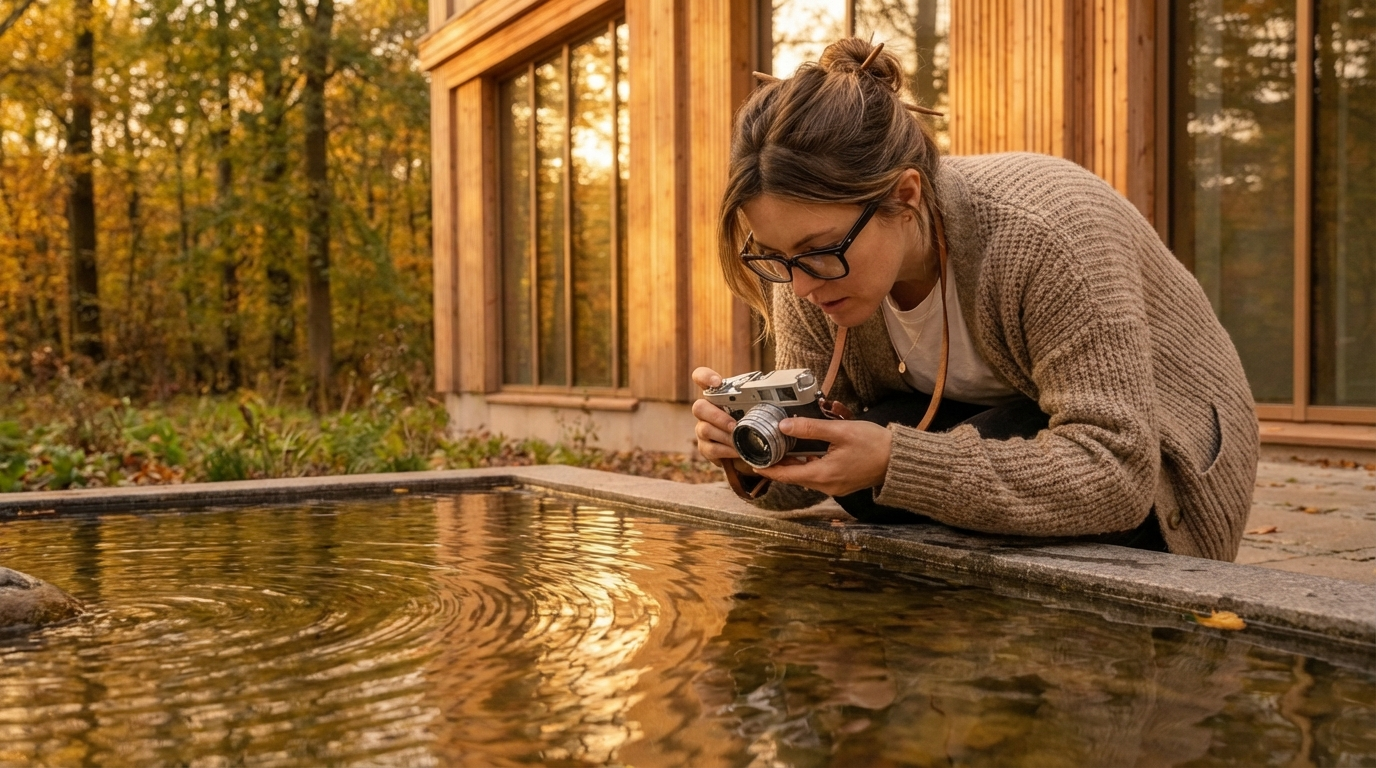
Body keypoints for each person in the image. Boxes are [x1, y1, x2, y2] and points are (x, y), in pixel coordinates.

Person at [691, 38, 1259, 561]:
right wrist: (753, 452)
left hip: (1164, 461)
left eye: (818, 251)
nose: (800, 286)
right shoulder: (809, 267)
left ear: (905, 195)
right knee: (874, 464)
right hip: (999, 428)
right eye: (775, 255)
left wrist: (896, 460)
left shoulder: (1046, 233)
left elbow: (1117, 477)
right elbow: (816, 476)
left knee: (889, 464)